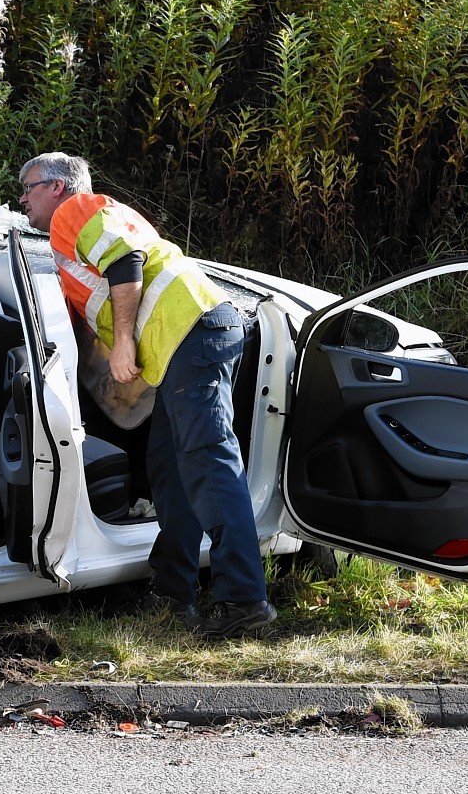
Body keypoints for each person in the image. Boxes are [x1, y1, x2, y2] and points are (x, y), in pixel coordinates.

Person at [18, 152, 276, 638]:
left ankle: (245, 601)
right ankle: (172, 591)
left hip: (191, 333)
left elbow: (125, 261)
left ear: (56, 187)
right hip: (189, 339)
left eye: (28, 186)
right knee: (171, 470)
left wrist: (121, 344)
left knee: (209, 465)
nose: (22, 198)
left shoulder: (78, 210)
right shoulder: (85, 229)